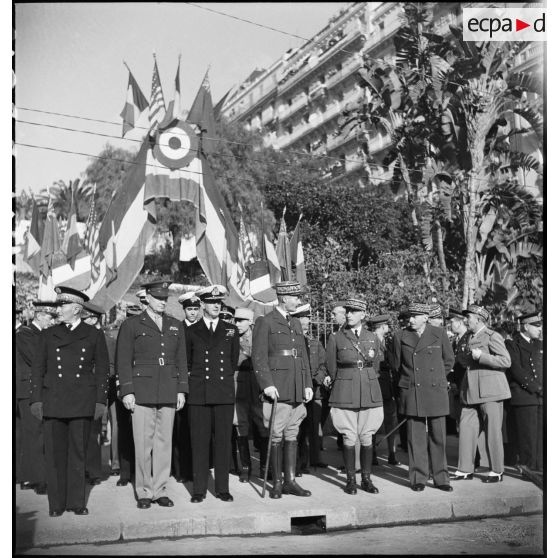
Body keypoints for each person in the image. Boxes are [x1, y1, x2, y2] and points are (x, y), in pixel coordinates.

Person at [30, 287, 109, 517]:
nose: (58, 310)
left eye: (63, 306)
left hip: (81, 402)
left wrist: (100, 401)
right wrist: (36, 399)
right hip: (53, 401)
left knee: (78, 455)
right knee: (55, 456)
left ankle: (76, 502)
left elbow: (102, 370)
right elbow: (37, 369)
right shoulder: (47, 335)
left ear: (76, 309)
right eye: (58, 305)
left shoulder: (93, 334)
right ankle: (56, 504)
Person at [116, 281, 188, 509]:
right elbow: (123, 361)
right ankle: (144, 491)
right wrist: (127, 390)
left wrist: (181, 389)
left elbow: (181, 361)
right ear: (147, 298)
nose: (163, 303)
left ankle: (160, 490)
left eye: (166, 299)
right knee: (143, 444)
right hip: (142, 391)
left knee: (164, 444)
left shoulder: (175, 325)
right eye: (158, 299)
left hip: (168, 389)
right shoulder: (132, 325)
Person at [252, 280, 314, 499]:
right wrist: (267, 384)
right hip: (278, 387)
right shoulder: (265, 322)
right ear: (284, 298)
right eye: (295, 297)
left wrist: (307, 384)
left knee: (292, 433)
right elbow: (258, 357)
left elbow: (303, 356)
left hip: (297, 386)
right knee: (276, 434)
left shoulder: (296, 323)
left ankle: (290, 480)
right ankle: (277, 482)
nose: (298, 301)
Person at [391, 302, 454, 492]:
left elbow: (449, 360)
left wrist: (434, 378)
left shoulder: (439, 333)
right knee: (415, 437)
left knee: (439, 437)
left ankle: (441, 477)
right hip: (412, 390)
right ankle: (418, 477)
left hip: (435, 390)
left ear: (425, 318)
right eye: (409, 316)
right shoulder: (400, 336)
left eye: (415, 316)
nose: (410, 320)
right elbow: (395, 365)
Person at [184, 285, 240, 503]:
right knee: (199, 442)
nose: (216, 305)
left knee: (223, 443)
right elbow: (187, 362)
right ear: (202, 305)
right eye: (211, 302)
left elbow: (232, 361)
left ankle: (222, 489)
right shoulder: (190, 330)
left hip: (223, 393)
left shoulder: (230, 330)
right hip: (199, 394)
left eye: (219, 302)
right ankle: (198, 490)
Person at [326, 298, 384, 495]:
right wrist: (343, 382)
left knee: (367, 435)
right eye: (347, 311)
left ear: (363, 314)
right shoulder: (336, 337)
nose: (349, 314)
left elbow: (375, 367)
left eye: (353, 311)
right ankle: (351, 480)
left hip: (368, 388)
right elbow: (332, 367)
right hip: (345, 389)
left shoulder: (372, 337)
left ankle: (366, 479)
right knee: (348, 436)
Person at [451, 305, 511, 484]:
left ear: (478, 319)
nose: (465, 320)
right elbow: (462, 361)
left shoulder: (493, 336)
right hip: (469, 391)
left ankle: (497, 470)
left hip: (490, 391)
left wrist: (482, 357)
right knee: (466, 429)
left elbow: (506, 361)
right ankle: (465, 469)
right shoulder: (467, 337)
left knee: (493, 431)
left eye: (468, 317)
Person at [16, 301, 58, 494]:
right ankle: (37, 479)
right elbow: (37, 360)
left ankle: (26, 477)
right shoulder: (25, 334)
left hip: (35, 390)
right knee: (34, 435)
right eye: (49, 317)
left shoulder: (40, 335)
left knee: (32, 434)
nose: (51, 321)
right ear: (40, 316)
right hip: (28, 392)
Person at [292, 303, 329, 474]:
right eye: (301, 317)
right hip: (298, 391)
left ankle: (315, 458)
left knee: (314, 427)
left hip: (314, 391)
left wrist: (316, 380)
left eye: (307, 317)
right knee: (298, 428)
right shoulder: (293, 342)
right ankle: (299, 462)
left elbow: (323, 365)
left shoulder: (316, 343)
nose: (305, 321)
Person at [505, 312, 543, 473]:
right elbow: (516, 370)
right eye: (536, 326)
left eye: (540, 325)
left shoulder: (539, 344)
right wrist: (536, 387)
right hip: (524, 395)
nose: (540, 329)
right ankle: (528, 467)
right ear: (526, 326)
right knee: (527, 435)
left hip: (540, 396)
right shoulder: (513, 344)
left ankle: (540, 466)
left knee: (541, 435)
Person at [171, 292, 201, 484]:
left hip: (198, 385)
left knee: (196, 430)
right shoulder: (177, 329)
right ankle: (179, 469)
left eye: (195, 309)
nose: (192, 312)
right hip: (180, 384)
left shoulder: (202, 329)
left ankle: (195, 469)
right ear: (184, 310)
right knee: (179, 429)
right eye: (189, 309)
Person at [113, 305, 143, 488]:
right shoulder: (122, 335)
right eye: (128, 317)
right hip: (126, 389)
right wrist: (121, 389)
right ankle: (125, 473)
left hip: (142, 388)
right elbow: (120, 364)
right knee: (125, 432)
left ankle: (139, 473)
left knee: (142, 435)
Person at [81, 302, 107, 486]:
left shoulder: (98, 336)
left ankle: (93, 470)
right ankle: (82, 469)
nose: (84, 321)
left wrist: (100, 396)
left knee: (92, 434)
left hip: (93, 391)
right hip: (80, 391)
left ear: (93, 318)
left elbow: (102, 367)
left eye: (86, 318)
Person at [369, 314, 399, 466]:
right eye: (386, 325)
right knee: (373, 422)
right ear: (381, 326)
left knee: (390, 420)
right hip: (376, 384)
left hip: (387, 386)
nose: (388, 327)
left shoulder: (387, 341)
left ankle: (391, 453)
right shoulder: (371, 340)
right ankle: (372, 453)